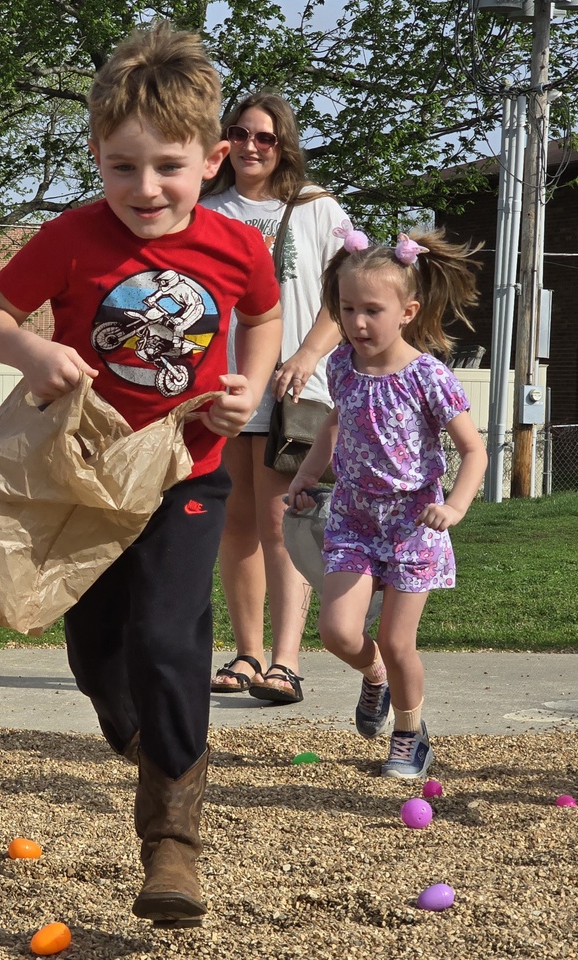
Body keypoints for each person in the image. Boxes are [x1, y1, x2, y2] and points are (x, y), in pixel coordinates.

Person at [0, 23, 281, 925]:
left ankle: (171, 845)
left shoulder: (237, 246)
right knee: (100, 655)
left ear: (213, 159)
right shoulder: (70, 239)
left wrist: (246, 390)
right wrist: (29, 350)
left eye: (169, 167)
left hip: (189, 470)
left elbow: (258, 320)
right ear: (97, 156)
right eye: (122, 168)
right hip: (84, 477)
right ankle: (142, 734)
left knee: (170, 640)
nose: (145, 189)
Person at [288, 226, 488, 779]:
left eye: (372, 310)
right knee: (338, 633)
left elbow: (474, 450)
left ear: (407, 311)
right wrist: (306, 475)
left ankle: (408, 734)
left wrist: (455, 507)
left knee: (400, 642)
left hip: (413, 522)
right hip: (352, 516)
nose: (356, 322)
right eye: (347, 308)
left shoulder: (428, 376)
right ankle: (372, 676)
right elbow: (333, 423)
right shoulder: (342, 367)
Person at [203, 92, 351, 704]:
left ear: (283, 143)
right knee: (233, 524)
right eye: (238, 133)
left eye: (264, 136)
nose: (250, 146)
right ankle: (246, 653)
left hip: (294, 391)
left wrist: (308, 353)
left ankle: (285, 662)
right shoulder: (205, 209)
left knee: (281, 522)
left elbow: (347, 293)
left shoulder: (316, 209)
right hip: (223, 388)